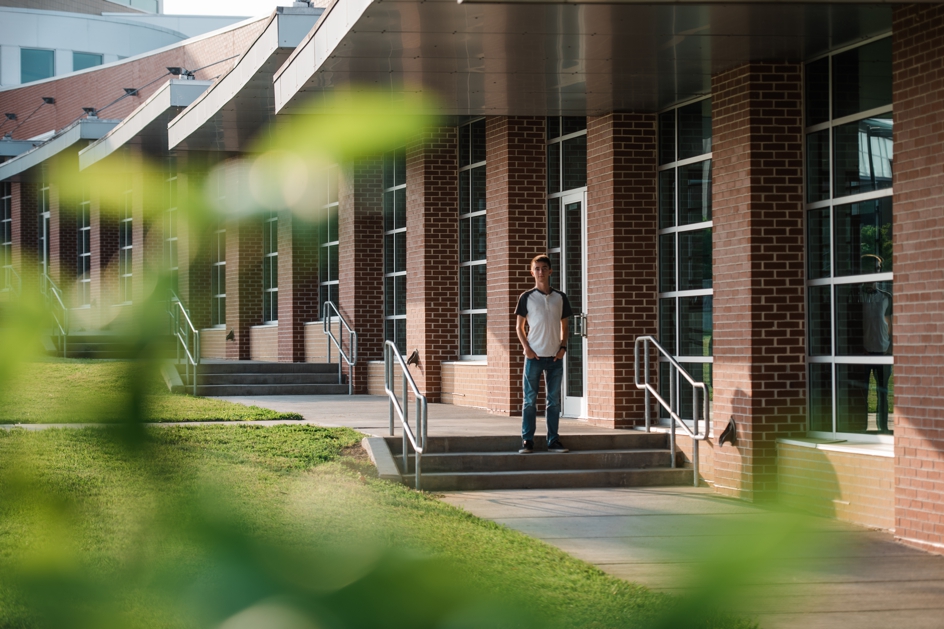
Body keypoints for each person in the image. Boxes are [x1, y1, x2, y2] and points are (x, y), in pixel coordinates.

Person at [514, 255, 572, 454]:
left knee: (553, 402)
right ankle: (527, 441)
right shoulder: (526, 297)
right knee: (530, 401)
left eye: (544, 268)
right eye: (537, 268)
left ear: (550, 271)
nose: (540, 272)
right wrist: (527, 349)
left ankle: (553, 441)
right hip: (534, 357)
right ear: (532, 272)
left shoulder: (560, 297)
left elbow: (565, 326)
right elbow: (519, 327)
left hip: (555, 357)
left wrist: (563, 347)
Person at [860, 254, 892, 433]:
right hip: (863, 353)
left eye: (878, 269)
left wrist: (891, 350)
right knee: (862, 394)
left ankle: (884, 428)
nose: (876, 272)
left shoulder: (886, 297)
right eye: (873, 268)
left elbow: (892, 325)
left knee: (883, 393)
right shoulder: (856, 296)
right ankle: (861, 429)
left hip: (882, 352)